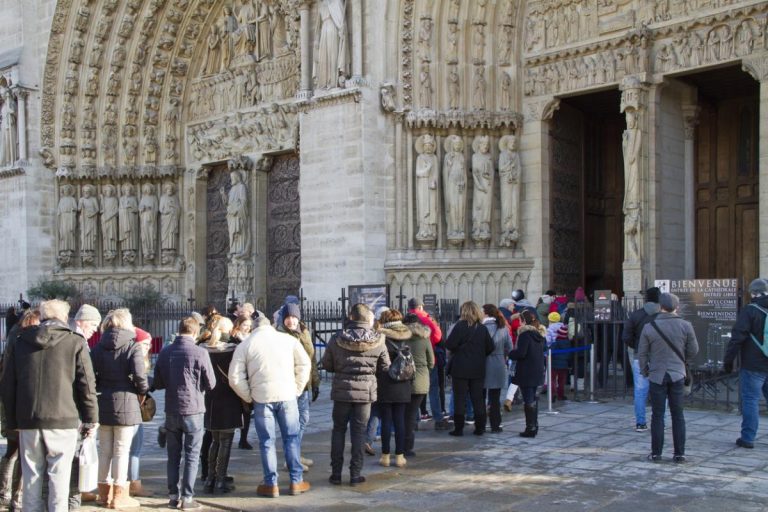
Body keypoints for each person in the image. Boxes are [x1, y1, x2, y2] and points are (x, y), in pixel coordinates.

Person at [0, 299, 99, 512]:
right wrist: (91, 419)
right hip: (63, 419)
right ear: (64, 317)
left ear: (43, 316)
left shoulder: (20, 341)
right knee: (59, 480)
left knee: (31, 478)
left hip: (29, 419)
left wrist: (12, 421)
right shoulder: (74, 342)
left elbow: (8, 383)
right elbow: (86, 385)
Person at [229, 316, 311, 498]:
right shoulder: (288, 340)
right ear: (271, 326)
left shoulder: (246, 345)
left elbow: (234, 378)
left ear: (253, 328)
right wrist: (297, 388)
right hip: (287, 395)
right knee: (291, 438)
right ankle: (296, 481)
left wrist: (248, 395)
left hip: (262, 398)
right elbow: (305, 364)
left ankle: (271, 484)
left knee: (267, 442)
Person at [322, 304, 390, 486]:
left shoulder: (337, 338)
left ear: (351, 317)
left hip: (342, 392)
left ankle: (336, 474)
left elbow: (327, 365)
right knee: (359, 432)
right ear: (368, 319)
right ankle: (355, 474)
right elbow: (385, 367)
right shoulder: (379, 340)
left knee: (338, 430)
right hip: (365, 394)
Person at [153, 316, 216, 510]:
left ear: (179, 330)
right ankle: (187, 498)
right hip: (193, 408)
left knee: (173, 456)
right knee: (192, 455)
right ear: (196, 332)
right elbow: (211, 383)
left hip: (172, 408)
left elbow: (158, 382)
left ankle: (173, 496)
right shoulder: (200, 352)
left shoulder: (165, 352)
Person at [90, 308, 148, 509]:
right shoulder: (132, 346)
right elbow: (140, 376)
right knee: (122, 450)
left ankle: (103, 493)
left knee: (104, 450)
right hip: (127, 400)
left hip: (103, 400)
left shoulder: (98, 347)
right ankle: (119, 495)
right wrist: (142, 391)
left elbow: (91, 376)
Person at [637, 293, 698, 463]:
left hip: (657, 374)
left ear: (660, 307)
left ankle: (656, 453)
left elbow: (642, 353)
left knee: (657, 415)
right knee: (678, 414)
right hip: (677, 373)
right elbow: (694, 350)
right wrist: (682, 361)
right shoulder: (685, 325)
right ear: (677, 307)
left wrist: (645, 370)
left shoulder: (649, 327)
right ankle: (679, 454)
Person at [0, 308, 40, 510]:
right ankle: (16, 497)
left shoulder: (12, 338)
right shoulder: (25, 344)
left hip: (10, 403)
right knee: (24, 452)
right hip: (23, 404)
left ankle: (4, 493)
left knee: (13, 450)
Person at [724, 278, 768, 449]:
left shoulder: (750, 311)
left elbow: (737, 338)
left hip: (753, 364)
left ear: (753, 293)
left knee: (750, 400)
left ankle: (748, 437)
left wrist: (728, 361)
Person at [276, 303, 320, 472]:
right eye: (288, 317)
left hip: (304, 384)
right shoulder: (279, 335)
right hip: (289, 385)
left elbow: (311, 359)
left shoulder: (304, 331)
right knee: (292, 423)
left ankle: (295, 454)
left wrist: (315, 382)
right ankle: (291, 459)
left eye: (294, 317)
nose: (291, 321)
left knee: (303, 419)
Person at [201, 316, 242, 494]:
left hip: (210, 398)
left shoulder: (204, 348)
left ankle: (210, 478)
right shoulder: (234, 349)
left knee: (215, 439)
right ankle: (220, 479)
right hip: (229, 397)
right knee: (226, 440)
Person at [445, 301, 494, 436]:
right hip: (477, 368)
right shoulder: (482, 329)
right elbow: (490, 347)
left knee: (459, 398)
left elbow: (449, 344)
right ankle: (480, 427)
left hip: (460, 368)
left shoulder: (459, 326)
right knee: (478, 398)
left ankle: (459, 428)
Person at [375, 309, 413, 468]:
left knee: (386, 420)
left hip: (385, 382)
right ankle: (399, 456)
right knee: (400, 420)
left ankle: (385, 456)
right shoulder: (407, 337)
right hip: (403, 383)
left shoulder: (381, 337)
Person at [622, 287, 661, 432]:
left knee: (640, 391)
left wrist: (637, 346)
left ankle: (641, 422)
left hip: (640, 356)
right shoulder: (663, 316)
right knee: (661, 390)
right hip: (659, 357)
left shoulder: (636, 315)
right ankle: (660, 422)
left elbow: (626, 336)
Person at [406, 298, 445, 429]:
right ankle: (438, 418)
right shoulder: (427, 320)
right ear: (420, 307)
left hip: (407, 362)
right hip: (425, 359)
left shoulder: (404, 321)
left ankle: (414, 420)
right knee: (433, 390)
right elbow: (438, 337)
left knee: (411, 392)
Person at [508, 310, 546, 438]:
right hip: (537, 370)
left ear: (524, 321)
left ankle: (530, 428)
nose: (519, 323)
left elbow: (521, 353)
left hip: (527, 371)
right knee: (533, 398)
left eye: (520, 320)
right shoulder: (538, 334)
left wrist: (510, 353)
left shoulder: (525, 335)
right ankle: (534, 425)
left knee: (528, 399)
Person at [402, 313, 434, 456]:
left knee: (403, 414)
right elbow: (431, 361)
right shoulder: (424, 339)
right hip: (421, 379)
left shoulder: (402, 337)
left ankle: (401, 445)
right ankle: (408, 447)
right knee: (411, 414)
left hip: (403, 379)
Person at [128, 328, 154, 498]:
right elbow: (140, 385)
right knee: (134, 449)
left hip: (130, 408)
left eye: (148, 345)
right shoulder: (135, 360)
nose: (147, 348)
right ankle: (134, 484)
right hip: (133, 409)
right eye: (144, 344)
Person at [482, 304, 512, 433]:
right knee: (495, 397)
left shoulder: (481, 327)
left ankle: (481, 424)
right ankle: (496, 425)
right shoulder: (503, 328)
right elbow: (510, 347)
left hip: (483, 363)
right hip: (499, 363)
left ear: (486, 313)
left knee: (481, 396)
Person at [550, 323, 572, 401]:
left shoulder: (555, 343)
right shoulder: (568, 344)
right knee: (561, 381)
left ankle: (553, 394)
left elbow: (551, 353)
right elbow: (569, 355)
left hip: (554, 364)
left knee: (552, 380)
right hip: (564, 365)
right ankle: (561, 395)